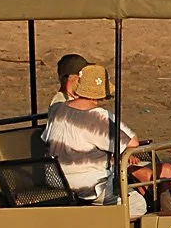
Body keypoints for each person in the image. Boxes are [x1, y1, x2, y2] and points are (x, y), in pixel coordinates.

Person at [43, 63, 139, 206]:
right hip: (89, 185)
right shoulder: (98, 116)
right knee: (138, 204)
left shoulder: (58, 109)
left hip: (55, 179)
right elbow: (132, 142)